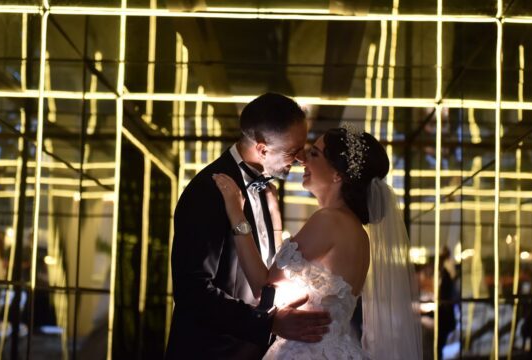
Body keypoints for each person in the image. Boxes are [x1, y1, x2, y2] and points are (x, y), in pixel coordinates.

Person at [213, 127, 423, 359]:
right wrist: (273, 213)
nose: (302, 160)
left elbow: (264, 288)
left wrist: (236, 214)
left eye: (314, 154)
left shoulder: (328, 221)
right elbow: (282, 268)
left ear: (337, 174)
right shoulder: (356, 231)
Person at [165, 93, 332, 359]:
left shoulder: (269, 192)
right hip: (211, 351)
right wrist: (268, 324)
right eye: (293, 150)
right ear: (263, 149)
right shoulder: (208, 191)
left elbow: (265, 275)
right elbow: (192, 292)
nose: (301, 158)